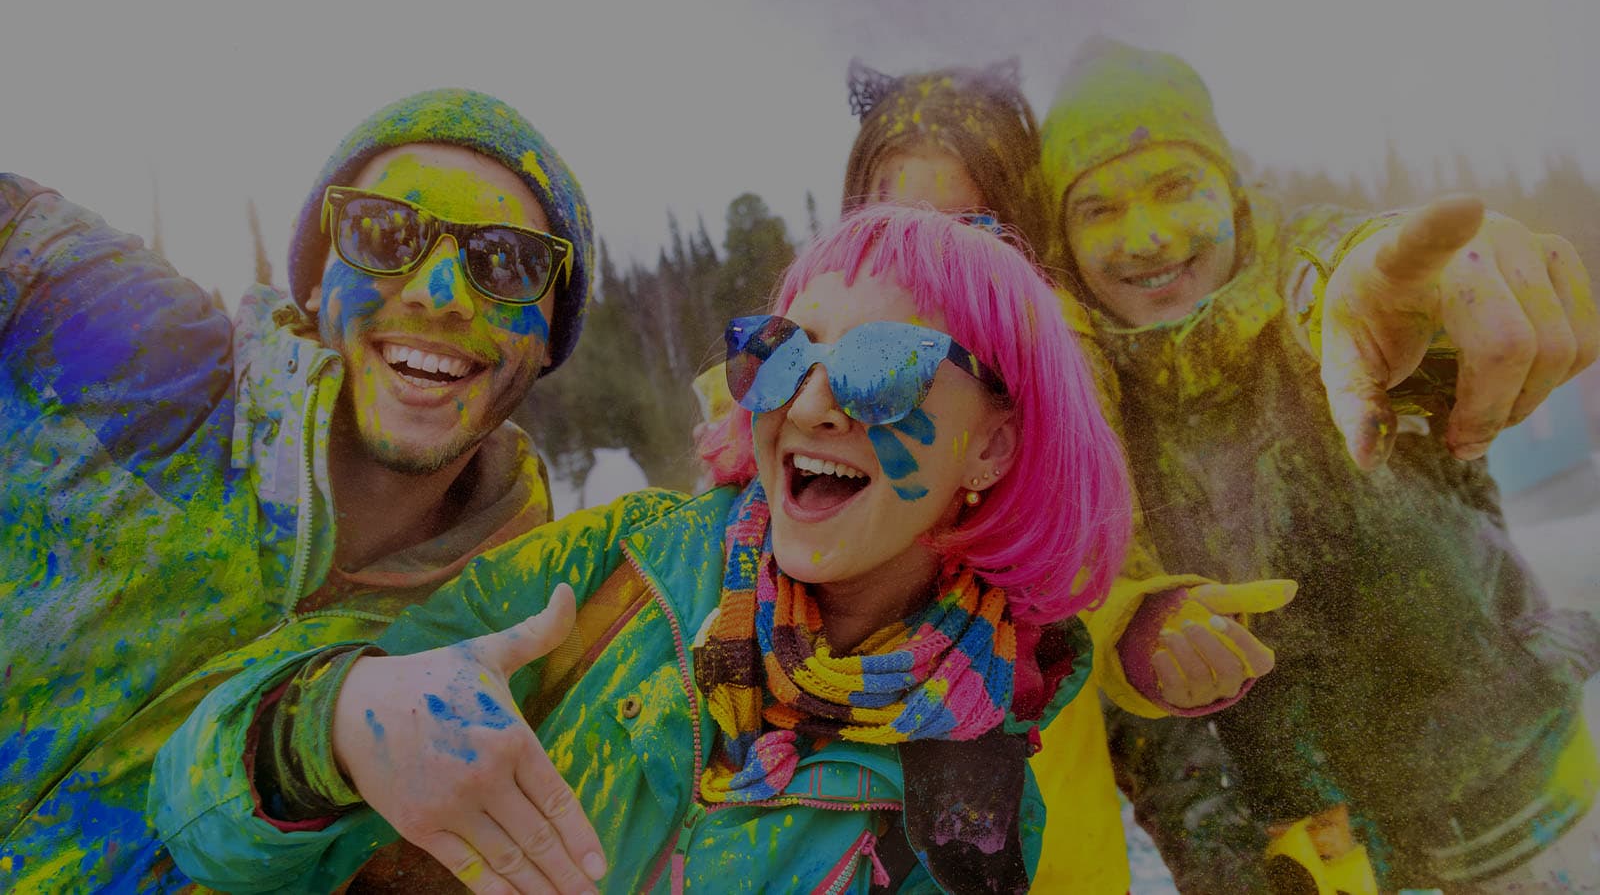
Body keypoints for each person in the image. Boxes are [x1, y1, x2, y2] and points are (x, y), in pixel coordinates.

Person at [152, 204, 1134, 894]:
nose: (810, 400)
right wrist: (328, 727)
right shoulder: (617, 571)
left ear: (994, 443)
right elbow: (196, 807)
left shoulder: (972, 801)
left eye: (882, 367)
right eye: (785, 349)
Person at [1040, 37, 1600, 891]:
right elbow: (1121, 673)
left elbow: (1355, 276)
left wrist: (1428, 296)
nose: (1144, 235)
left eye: (1173, 186)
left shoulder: (1314, 299)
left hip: (1518, 802)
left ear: (1230, 186)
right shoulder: (1086, 407)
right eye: (1098, 209)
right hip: (1333, 862)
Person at [0, 88, 593, 891]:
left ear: (551, 335)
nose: (440, 291)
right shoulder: (137, 349)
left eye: (508, 263)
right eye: (384, 235)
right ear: (316, 282)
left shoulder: (490, 649)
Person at [827, 57, 1294, 894]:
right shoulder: (788, 409)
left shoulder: (1054, 403)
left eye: (970, 230)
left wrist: (1146, 631)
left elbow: (1082, 587)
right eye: (896, 222)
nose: (930, 263)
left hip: (1058, 855)